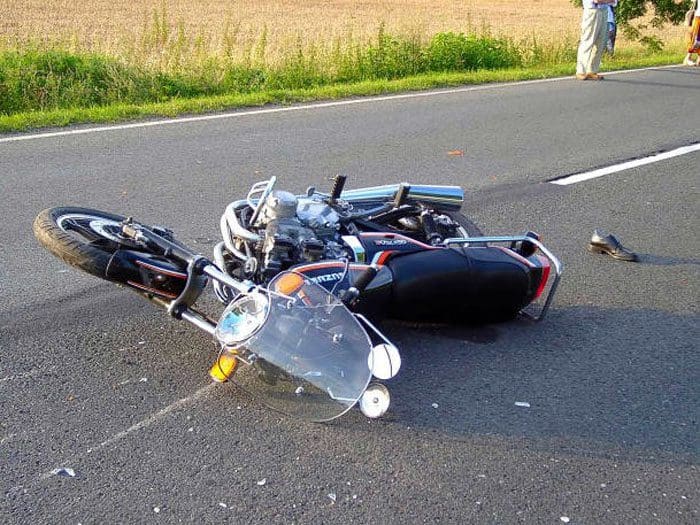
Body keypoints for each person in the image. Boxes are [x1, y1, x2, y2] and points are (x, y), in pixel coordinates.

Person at [576, 0, 617, 80]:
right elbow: (597, 0)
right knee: (587, 41)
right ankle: (581, 71)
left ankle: (592, 71)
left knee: (601, 42)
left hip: (604, 10)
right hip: (592, 11)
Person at [684, 0, 700, 66]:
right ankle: (688, 58)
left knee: (698, 38)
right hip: (698, 17)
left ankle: (699, 59)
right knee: (696, 38)